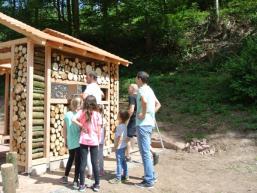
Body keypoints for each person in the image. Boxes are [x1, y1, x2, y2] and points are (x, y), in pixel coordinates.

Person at [135, 71, 161, 189]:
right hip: (149, 124)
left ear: (140, 79)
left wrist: (144, 114)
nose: (135, 80)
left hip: (143, 125)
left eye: (136, 78)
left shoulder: (141, 90)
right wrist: (150, 115)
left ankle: (149, 181)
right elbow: (158, 104)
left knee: (145, 153)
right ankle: (152, 175)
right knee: (146, 152)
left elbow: (144, 102)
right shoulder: (149, 89)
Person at [73, 95, 102, 192]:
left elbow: (73, 119)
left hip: (83, 140)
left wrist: (82, 126)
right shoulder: (98, 114)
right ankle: (97, 185)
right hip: (94, 141)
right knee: (95, 163)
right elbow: (98, 130)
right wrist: (98, 141)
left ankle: (81, 185)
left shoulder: (81, 112)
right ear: (95, 103)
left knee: (83, 163)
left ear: (85, 102)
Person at [82, 71, 104, 179]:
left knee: (89, 146)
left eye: (87, 77)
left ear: (91, 77)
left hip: (90, 115)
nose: (86, 78)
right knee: (97, 145)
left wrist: (80, 95)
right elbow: (102, 94)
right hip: (98, 114)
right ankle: (100, 170)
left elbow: (84, 95)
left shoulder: (90, 86)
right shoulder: (97, 86)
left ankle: (90, 172)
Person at [60, 97, 82, 189]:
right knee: (78, 161)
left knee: (70, 158)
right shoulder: (80, 114)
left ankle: (65, 177)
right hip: (79, 141)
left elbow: (64, 129)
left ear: (71, 104)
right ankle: (75, 181)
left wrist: (65, 140)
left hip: (70, 140)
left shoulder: (67, 114)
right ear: (80, 105)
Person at [109, 110, 130, 184]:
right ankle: (126, 175)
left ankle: (118, 178)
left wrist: (116, 146)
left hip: (119, 147)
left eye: (118, 115)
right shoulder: (125, 126)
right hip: (123, 146)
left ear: (120, 118)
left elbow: (119, 137)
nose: (117, 116)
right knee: (123, 161)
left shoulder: (119, 127)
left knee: (119, 163)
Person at [126, 84, 138, 162]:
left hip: (133, 119)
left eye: (129, 87)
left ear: (133, 89)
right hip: (139, 119)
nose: (128, 89)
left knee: (127, 137)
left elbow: (131, 109)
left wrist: (127, 119)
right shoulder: (139, 96)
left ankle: (128, 156)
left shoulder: (132, 97)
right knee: (136, 137)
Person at [98, 105, 105, 176]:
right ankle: (101, 169)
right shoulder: (103, 118)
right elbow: (105, 130)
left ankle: (97, 170)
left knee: (96, 156)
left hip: (97, 140)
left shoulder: (96, 117)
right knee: (100, 156)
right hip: (101, 140)